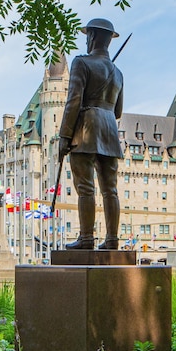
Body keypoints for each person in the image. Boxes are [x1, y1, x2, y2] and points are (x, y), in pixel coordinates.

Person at [58, 18, 124, 250]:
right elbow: (117, 111)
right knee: (110, 190)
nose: (86, 40)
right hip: (109, 132)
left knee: (85, 187)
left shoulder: (81, 63)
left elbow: (73, 101)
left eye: (87, 35)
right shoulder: (118, 73)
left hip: (86, 130)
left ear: (93, 37)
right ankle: (112, 239)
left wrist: (64, 136)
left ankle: (86, 237)